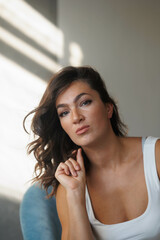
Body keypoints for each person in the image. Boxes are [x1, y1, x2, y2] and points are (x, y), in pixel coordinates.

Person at [23, 66, 160, 240]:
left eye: (85, 103)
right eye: (64, 112)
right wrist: (75, 195)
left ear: (108, 108)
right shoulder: (68, 187)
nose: (76, 117)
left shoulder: (155, 156)